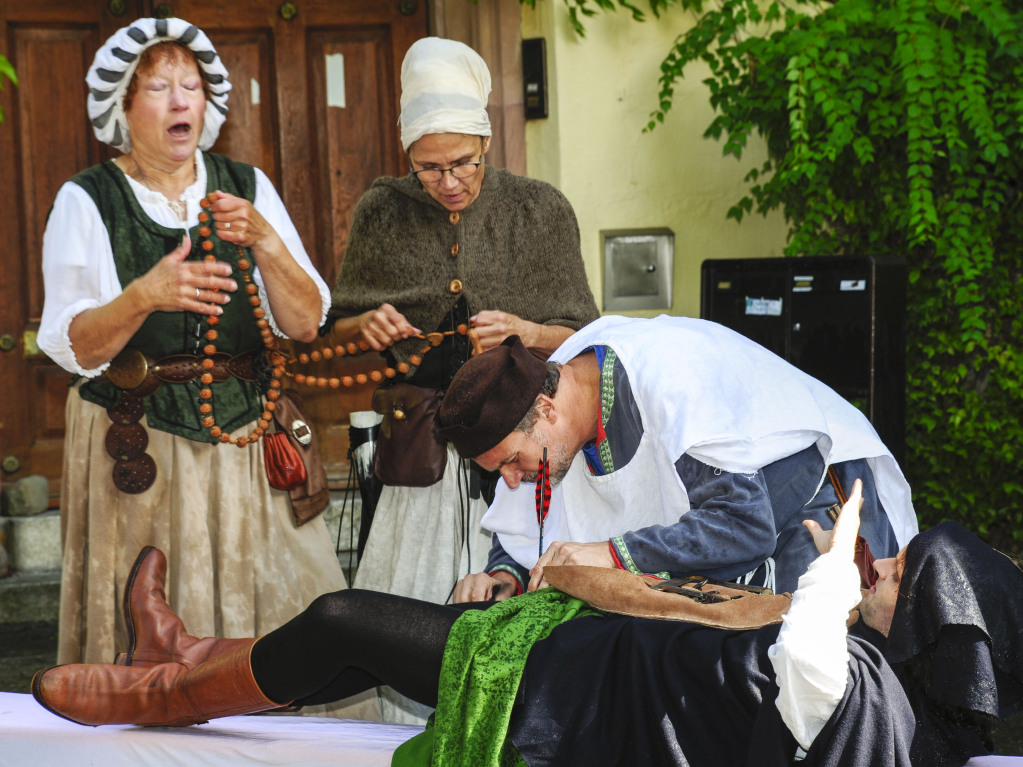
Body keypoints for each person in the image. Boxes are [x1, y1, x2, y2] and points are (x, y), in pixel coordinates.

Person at [29, 481, 1023, 766]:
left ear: (932, 624)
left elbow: (808, 646)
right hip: (584, 662)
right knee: (356, 639)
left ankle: (161, 690)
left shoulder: (860, 689)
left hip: (558, 699)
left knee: (342, 617)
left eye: (898, 571)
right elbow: (779, 631)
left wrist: (833, 559)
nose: (878, 566)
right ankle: (191, 658)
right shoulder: (901, 697)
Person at [34, 17, 353, 709]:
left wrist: (266, 241)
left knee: (293, 607)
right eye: (159, 87)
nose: (181, 100)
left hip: (243, 437)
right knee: (151, 627)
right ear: (122, 107)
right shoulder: (87, 199)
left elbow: (303, 319)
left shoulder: (247, 187)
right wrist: (145, 296)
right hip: (135, 439)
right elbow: (72, 346)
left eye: (192, 85)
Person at [325, 36, 599, 721]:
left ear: (486, 139)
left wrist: (529, 334)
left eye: (461, 163)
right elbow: (335, 328)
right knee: (413, 615)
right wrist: (367, 327)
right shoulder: (381, 212)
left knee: (516, 611)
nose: (447, 181)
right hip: (421, 464)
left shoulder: (539, 210)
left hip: (529, 459)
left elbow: (590, 341)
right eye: (428, 168)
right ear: (406, 160)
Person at [439, 314, 919, 602]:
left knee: (830, 689)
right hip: (748, 538)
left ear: (545, 409)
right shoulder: (552, 407)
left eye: (511, 461)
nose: (511, 480)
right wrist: (505, 573)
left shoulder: (667, 384)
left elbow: (742, 526)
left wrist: (612, 554)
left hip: (815, 507)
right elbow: (534, 521)